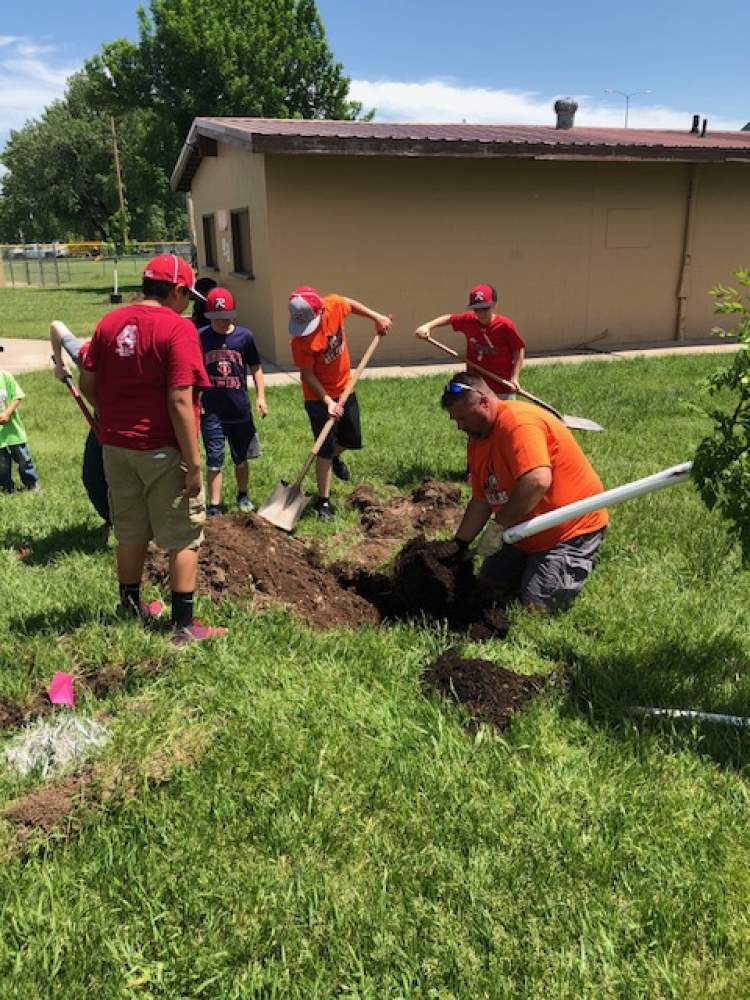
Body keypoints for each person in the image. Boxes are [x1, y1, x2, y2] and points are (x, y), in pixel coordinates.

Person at [79, 254, 225, 644]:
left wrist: (116, 414)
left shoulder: (108, 323)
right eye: (188, 297)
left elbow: (89, 384)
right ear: (177, 290)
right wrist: (195, 464)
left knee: (130, 531)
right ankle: (183, 626)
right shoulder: (177, 330)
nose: (188, 305)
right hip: (162, 449)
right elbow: (180, 399)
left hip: (116, 447)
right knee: (183, 535)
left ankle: (128, 607)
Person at [444, 372, 608, 613]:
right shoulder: (478, 439)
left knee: (534, 608)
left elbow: (537, 481)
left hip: (567, 530)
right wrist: (458, 546)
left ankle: (573, 562)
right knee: (487, 589)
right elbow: (481, 500)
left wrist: (498, 527)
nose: (460, 426)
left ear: (485, 401)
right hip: (523, 531)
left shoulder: (518, 423)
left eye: (464, 417)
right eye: (455, 420)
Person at [288, 286, 391, 521]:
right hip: (317, 398)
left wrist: (377, 318)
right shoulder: (300, 342)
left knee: (351, 438)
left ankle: (335, 457)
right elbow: (307, 375)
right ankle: (323, 503)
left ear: (320, 310)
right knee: (323, 448)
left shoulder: (333, 305)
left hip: (345, 387)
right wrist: (327, 402)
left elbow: (349, 304)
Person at [198, 287, 267, 517]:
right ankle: (214, 505)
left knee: (241, 457)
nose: (221, 322)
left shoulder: (244, 337)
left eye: (225, 317)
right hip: (211, 410)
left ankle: (243, 494)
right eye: (216, 318)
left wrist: (260, 397)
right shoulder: (202, 337)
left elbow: (256, 368)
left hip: (239, 409)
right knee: (214, 458)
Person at [415, 283, 525, 398]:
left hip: (502, 385)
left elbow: (518, 349)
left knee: (503, 415)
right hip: (476, 385)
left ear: (494, 305)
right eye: (477, 309)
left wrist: (514, 378)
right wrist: (427, 326)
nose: (481, 313)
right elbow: (449, 318)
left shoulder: (504, 325)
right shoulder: (469, 320)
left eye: (485, 308)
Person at [50, 321, 110, 523]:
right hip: (101, 429)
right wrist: (60, 364)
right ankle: (113, 521)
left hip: (130, 433)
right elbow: (56, 326)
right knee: (92, 477)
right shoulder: (88, 357)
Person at [0, 370, 40, 493]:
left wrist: (7, 413)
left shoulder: (5, 376)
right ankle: (6, 487)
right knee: (2, 464)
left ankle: (31, 484)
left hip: (13, 431)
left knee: (23, 459)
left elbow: (18, 396)